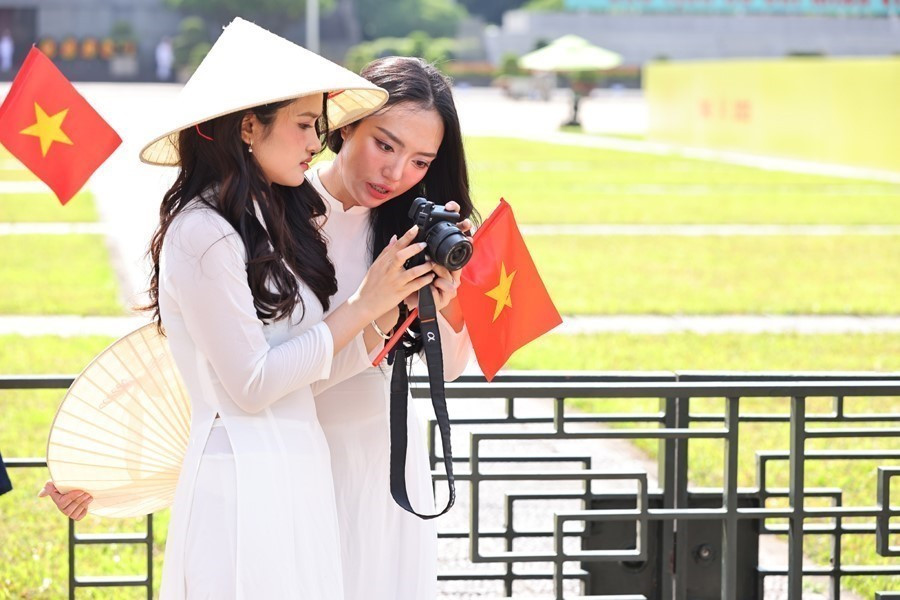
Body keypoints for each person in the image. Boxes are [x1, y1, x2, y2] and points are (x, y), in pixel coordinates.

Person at [40, 18, 438, 599]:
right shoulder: (201, 231)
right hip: (242, 491)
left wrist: (392, 310)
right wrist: (362, 303)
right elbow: (250, 386)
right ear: (249, 126)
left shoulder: (265, 225)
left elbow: (304, 374)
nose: (314, 141)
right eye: (305, 124)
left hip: (298, 477)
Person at [307, 56, 477, 600]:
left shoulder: (414, 226)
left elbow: (447, 371)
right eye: (385, 145)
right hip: (293, 453)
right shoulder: (282, 209)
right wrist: (374, 308)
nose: (397, 173)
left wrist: (447, 307)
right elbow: (263, 369)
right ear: (346, 122)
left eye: (421, 160)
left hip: (384, 459)